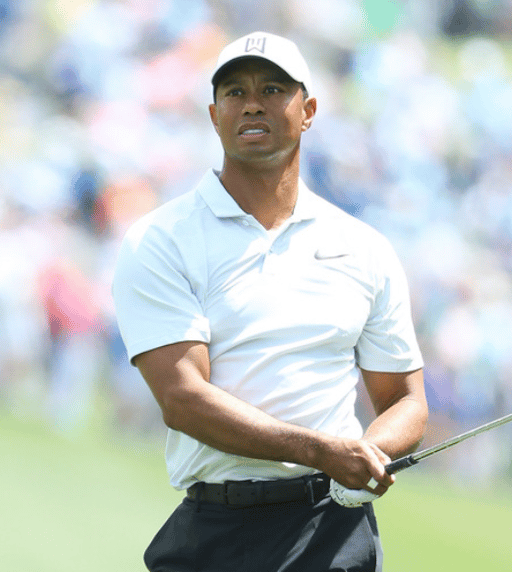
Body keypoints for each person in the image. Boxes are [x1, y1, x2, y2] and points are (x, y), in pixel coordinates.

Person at [111, 32, 428, 571]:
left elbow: (405, 400)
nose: (252, 103)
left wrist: (369, 453)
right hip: (217, 530)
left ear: (308, 112)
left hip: (334, 532)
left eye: (273, 89)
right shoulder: (162, 239)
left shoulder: (364, 248)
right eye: (235, 92)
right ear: (214, 116)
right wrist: (322, 451)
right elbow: (183, 399)